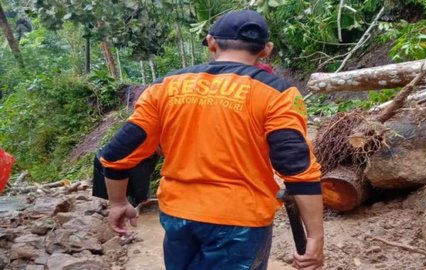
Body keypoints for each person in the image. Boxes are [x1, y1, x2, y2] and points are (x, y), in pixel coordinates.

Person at [99, 9, 324, 270]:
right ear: (266, 50)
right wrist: (316, 236)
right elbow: (298, 170)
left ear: (211, 42)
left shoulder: (164, 87)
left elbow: (117, 154)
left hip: (178, 215)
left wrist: (117, 203)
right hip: (241, 221)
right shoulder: (277, 94)